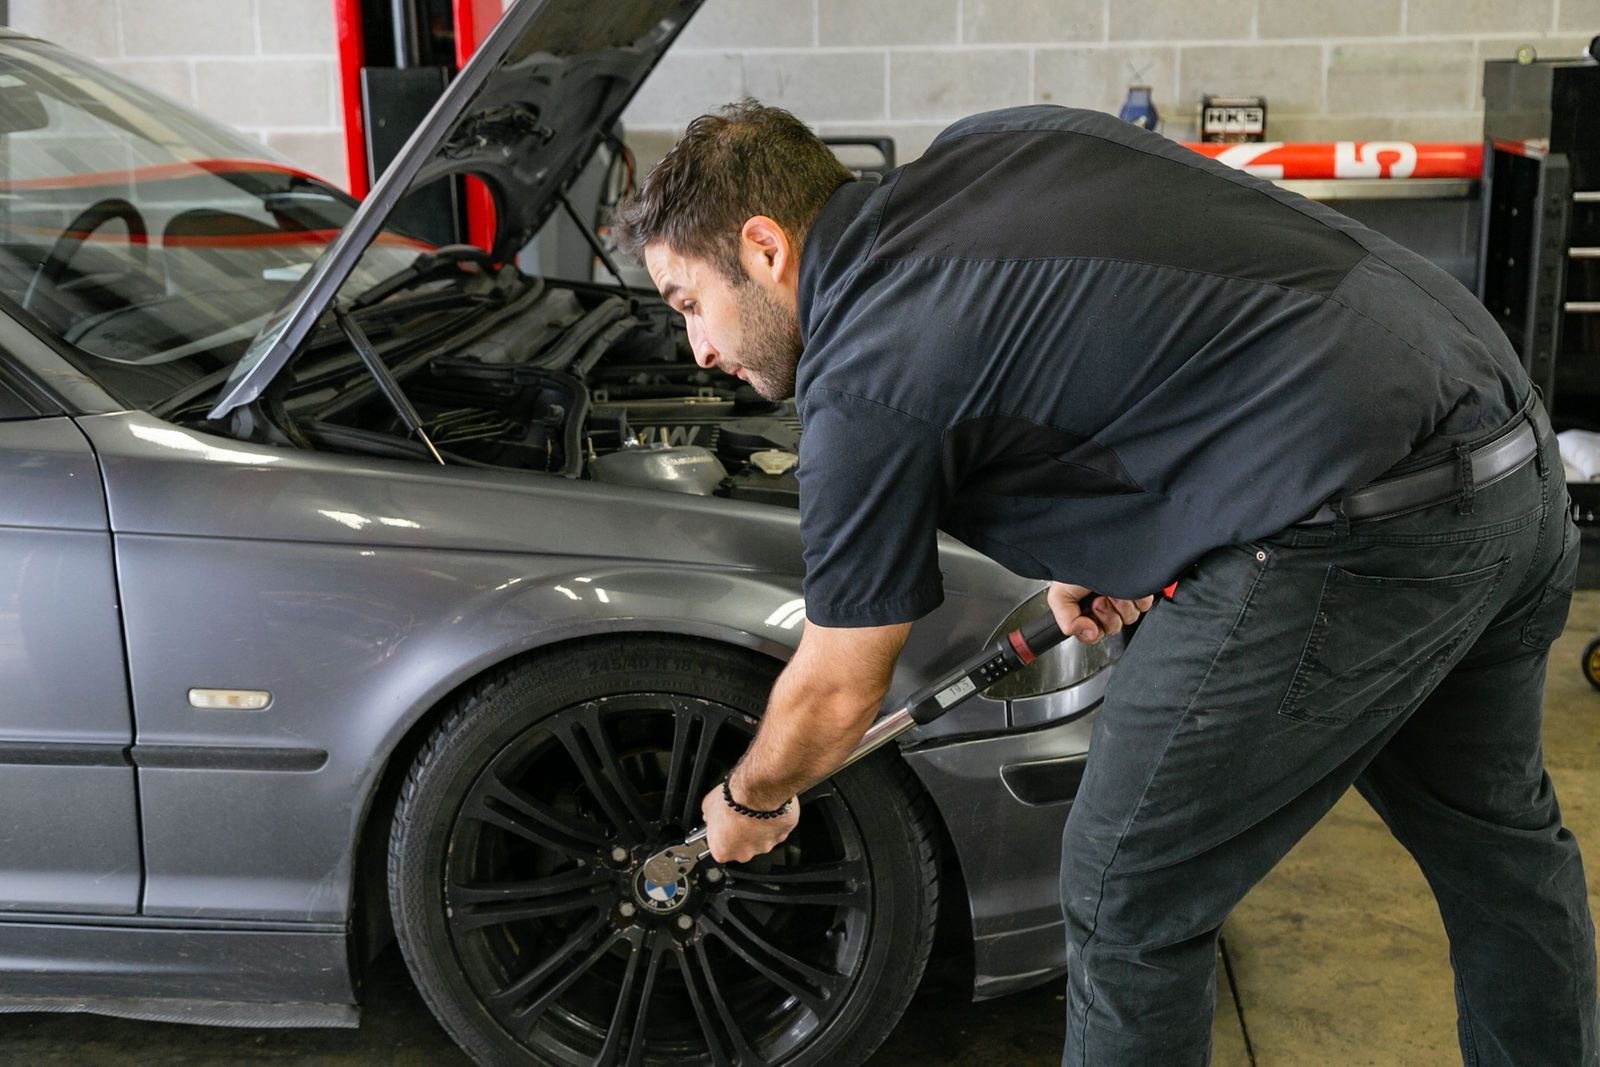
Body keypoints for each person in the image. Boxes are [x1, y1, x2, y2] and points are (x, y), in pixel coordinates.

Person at [611, 100, 1596, 1066]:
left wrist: (753, 795)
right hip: (1510, 456)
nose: (699, 349)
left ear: (764, 247)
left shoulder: (863, 376)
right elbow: (1147, 331)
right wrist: (1122, 538)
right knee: (1498, 848)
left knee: (1127, 890)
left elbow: (837, 686)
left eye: (690, 303)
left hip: (1359, 525)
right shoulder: (995, 144)